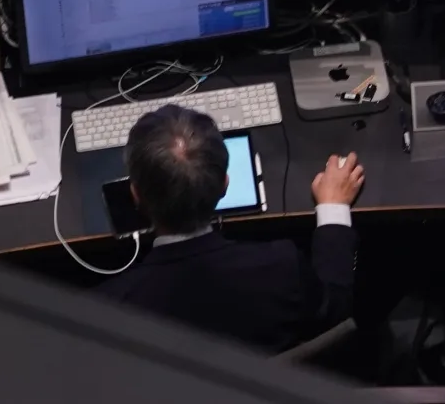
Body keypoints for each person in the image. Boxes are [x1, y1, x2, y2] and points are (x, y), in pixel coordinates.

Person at [102, 104, 364, 352]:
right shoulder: (282, 268)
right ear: (224, 185)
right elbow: (336, 310)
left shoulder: (111, 308)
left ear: (135, 194)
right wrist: (333, 207)